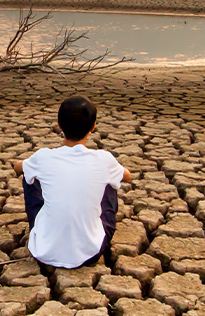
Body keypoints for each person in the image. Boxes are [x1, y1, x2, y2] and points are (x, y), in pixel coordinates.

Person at [11, 95, 132, 268]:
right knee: (111, 181)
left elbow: (18, 167)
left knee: (29, 175)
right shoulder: (104, 160)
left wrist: (30, 166)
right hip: (91, 252)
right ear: (93, 127)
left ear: (59, 125)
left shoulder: (44, 157)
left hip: (44, 251)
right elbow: (127, 176)